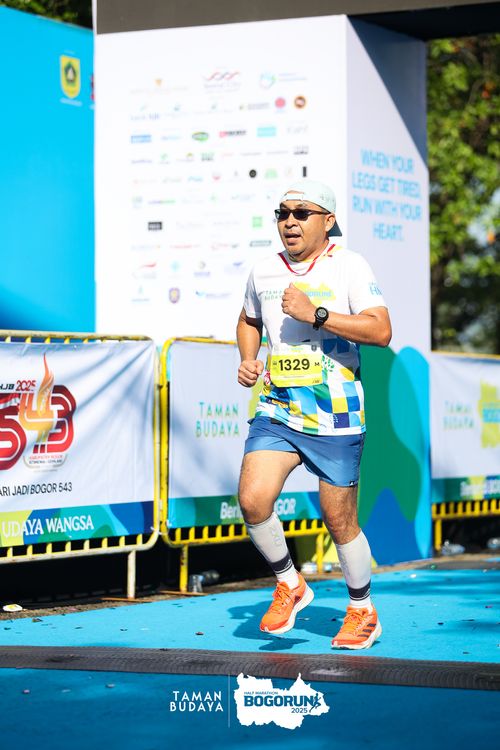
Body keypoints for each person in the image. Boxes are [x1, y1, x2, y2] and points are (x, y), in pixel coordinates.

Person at [236, 179, 391, 649]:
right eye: (282, 213)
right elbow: (248, 319)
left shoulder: (349, 265)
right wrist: (248, 358)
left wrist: (316, 314)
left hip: (335, 411)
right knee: (253, 500)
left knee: (338, 519)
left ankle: (362, 610)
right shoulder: (264, 270)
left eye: (301, 213)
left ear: (328, 220)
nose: (289, 222)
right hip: (279, 406)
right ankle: (290, 583)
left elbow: (381, 331)